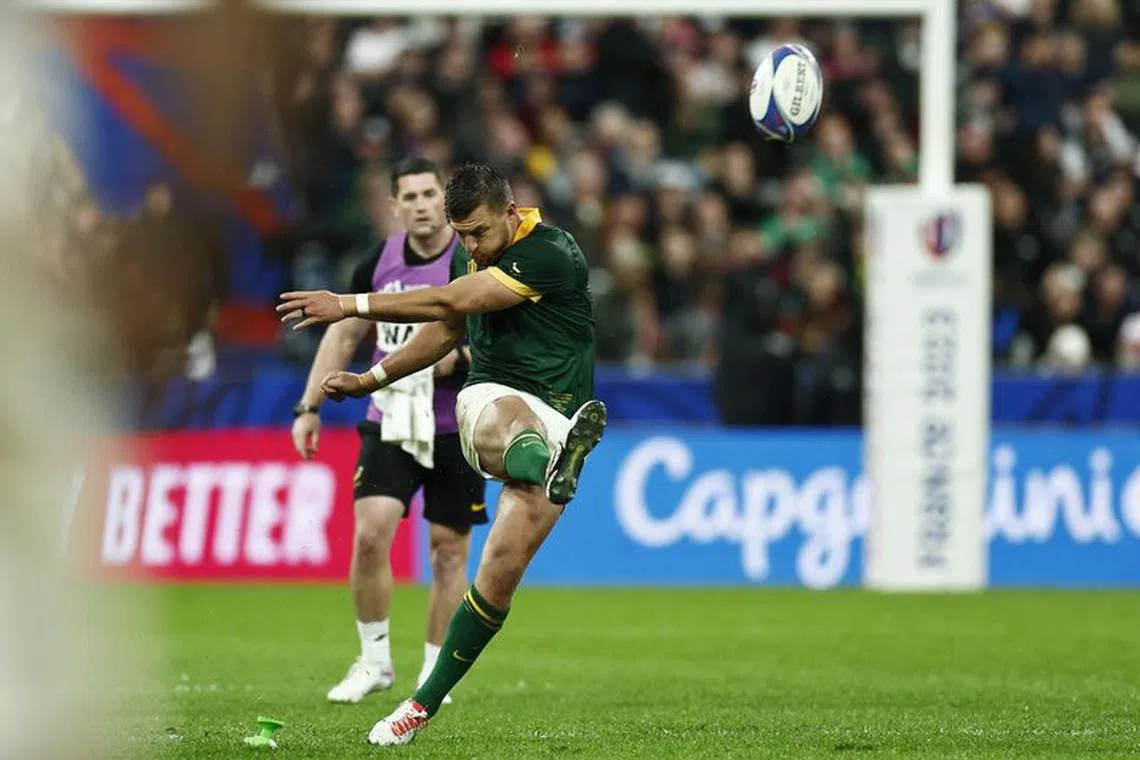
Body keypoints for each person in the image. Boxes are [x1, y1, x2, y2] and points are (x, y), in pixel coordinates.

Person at [278, 161, 606, 746]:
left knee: (497, 578)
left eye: (478, 232)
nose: (470, 245)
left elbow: (447, 300)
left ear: (511, 213)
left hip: (563, 415)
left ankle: (418, 705)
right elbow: (447, 327)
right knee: (507, 420)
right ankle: (548, 463)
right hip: (488, 398)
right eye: (463, 236)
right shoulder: (470, 251)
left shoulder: (552, 252)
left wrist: (349, 304)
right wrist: (370, 379)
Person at [290, 157, 487, 706]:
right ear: (395, 206)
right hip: (390, 420)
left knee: (448, 553)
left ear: (444, 201)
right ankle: (374, 661)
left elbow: (493, 339)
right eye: (412, 197)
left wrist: (455, 359)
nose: (422, 205)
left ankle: (433, 672)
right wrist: (307, 406)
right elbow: (345, 332)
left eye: (430, 194)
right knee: (372, 532)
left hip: (454, 426)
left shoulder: (469, 262)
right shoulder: (377, 262)